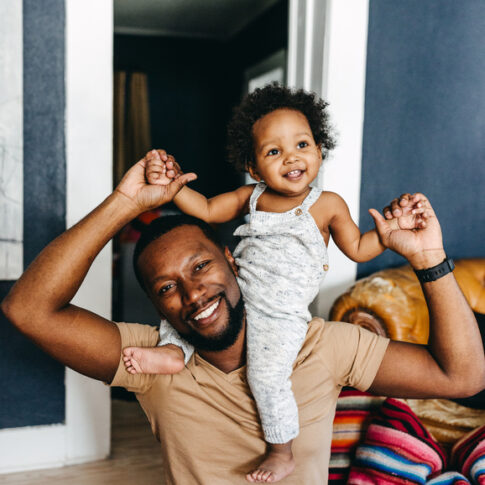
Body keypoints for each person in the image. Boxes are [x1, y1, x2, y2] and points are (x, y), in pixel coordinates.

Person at [2, 155, 484, 485]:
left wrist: (429, 259)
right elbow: (26, 310)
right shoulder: (149, 361)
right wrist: (125, 204)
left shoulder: (324, 346)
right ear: (156, 307)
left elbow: (462, 377)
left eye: (200, 266)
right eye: (167, 288)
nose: (192, 293)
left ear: (234, 261)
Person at [121, 84, 420, 482]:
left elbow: (359, 249)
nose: (291, 157)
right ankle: (174, 353)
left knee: (266, 377)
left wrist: (388, 233)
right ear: (255, 167)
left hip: (280, 315)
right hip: (242, 293)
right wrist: (175, 189)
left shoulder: (327, 204)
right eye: (274, 151)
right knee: (192, 313)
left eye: (302, 144)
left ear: (319, 150)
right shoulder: (253, 196)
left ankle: (282, 451)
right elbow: (208, 210)